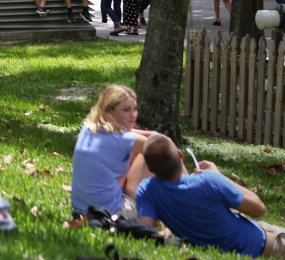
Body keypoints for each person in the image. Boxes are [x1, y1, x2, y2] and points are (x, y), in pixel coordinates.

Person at [137, 133, 285, 258]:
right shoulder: (209, 181)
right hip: (262, 244)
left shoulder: (146, 190)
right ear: (180, 155)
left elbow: (145, 232)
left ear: (149, 167)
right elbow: (259, 209)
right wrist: (219, 176)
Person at [70, 84, 152, 218]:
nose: (133, 115)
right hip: (112, 214)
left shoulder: (88, 128)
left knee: (138, 149)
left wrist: (153, 134)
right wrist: (168, 143)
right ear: (109, 111)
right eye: (126, 110)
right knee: (150, 154)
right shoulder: (125, 140)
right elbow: (164, 152)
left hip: (80, 210)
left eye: (135, 109)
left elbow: (131, 134)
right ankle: (186, 200)